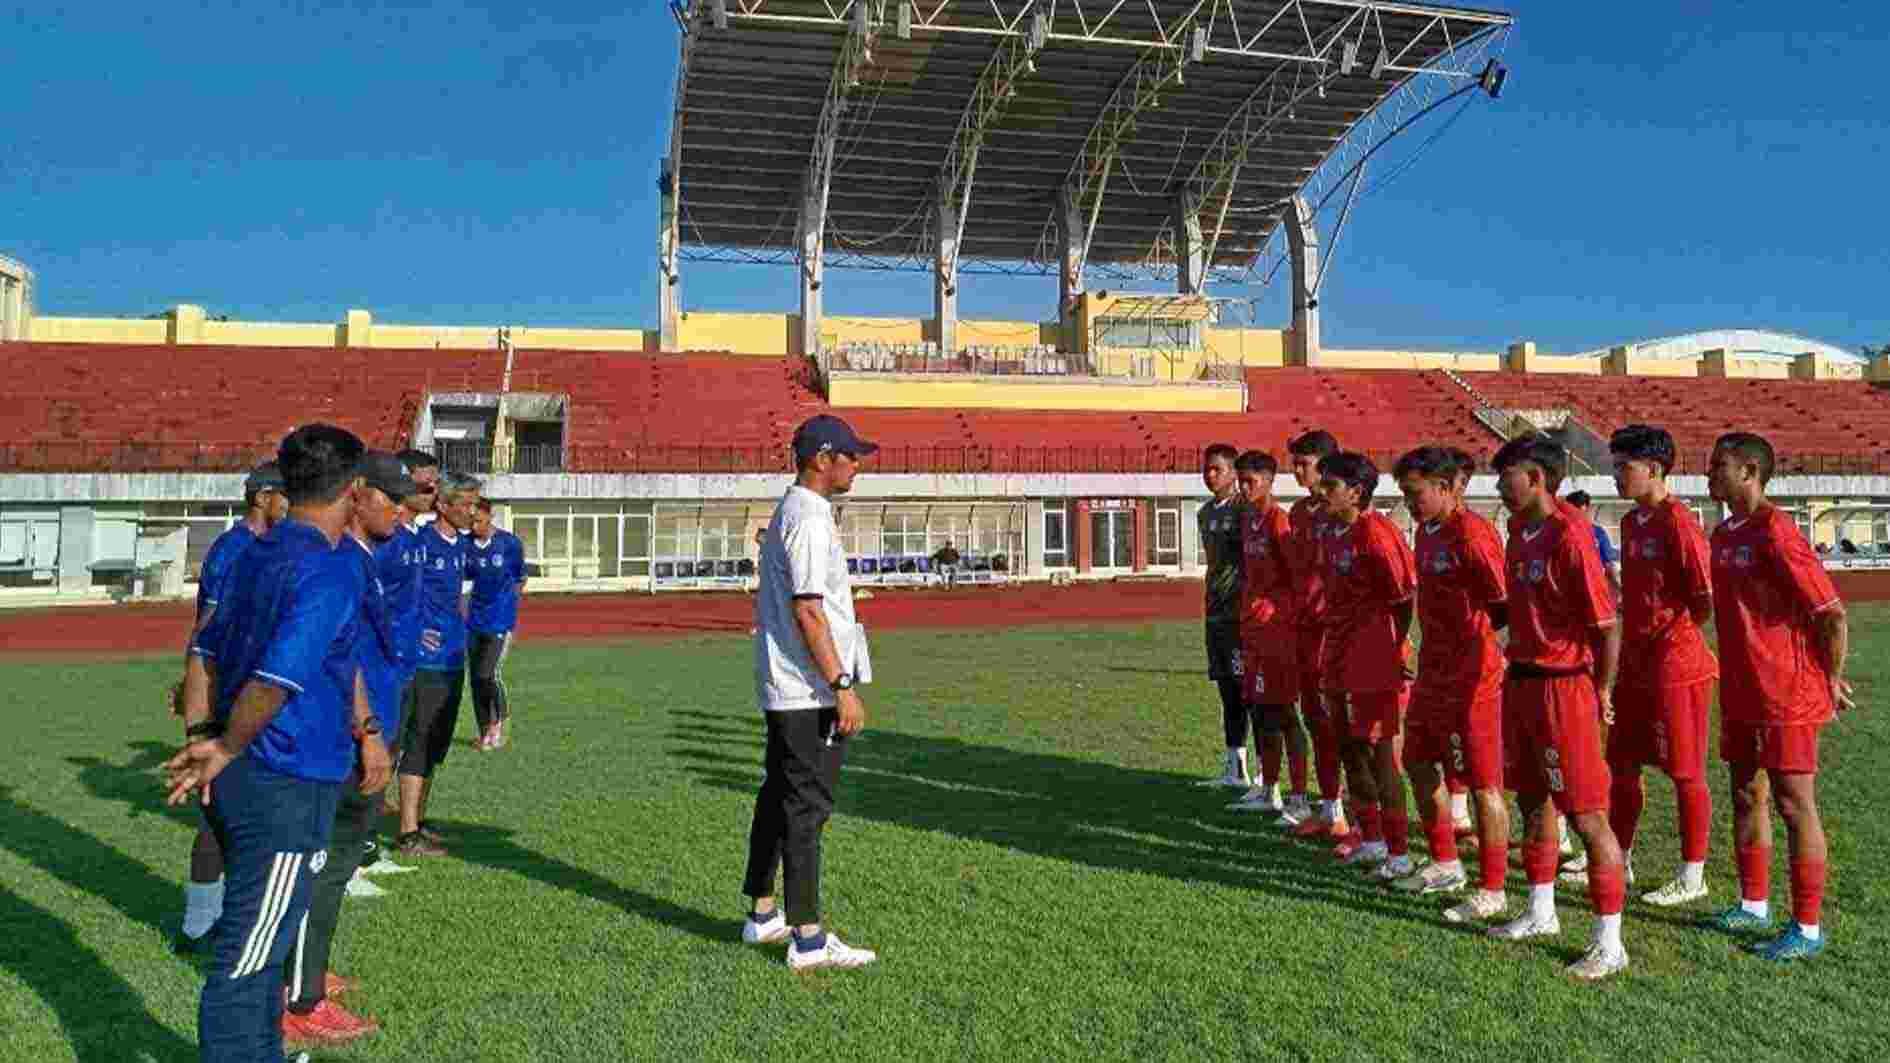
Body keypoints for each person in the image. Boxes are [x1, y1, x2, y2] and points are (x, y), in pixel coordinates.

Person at [167, 424, 392, 1062]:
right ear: (354, 491)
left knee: (265, 941)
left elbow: (202, 653)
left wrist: (204, 738)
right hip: (283, 785)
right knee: (251, 953)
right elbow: (276, 680)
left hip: (249, 781)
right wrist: (228, 745)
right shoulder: (325, 571)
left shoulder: (251, 553)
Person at [282, 452, 416, 1045]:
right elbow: (343, 660)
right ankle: (300, 1000)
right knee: (323, 867)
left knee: (335, 867)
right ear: (358, 497)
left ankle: (309, 972)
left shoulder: (361, 559)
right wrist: (367, 734)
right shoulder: (341, 564)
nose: (404, 512)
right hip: (347, 737)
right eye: (395, 499)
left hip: (367, 730)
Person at [1701, 432, 1851, 961]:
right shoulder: (1721, 535)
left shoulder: (1777, 529)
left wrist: (1829, 677)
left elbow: (1830, 612)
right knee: (1746, 795)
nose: (1708, 474)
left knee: (1794, 804)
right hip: (1742, 689)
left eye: (1719, 466)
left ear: (1749, 473)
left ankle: (1807, 928)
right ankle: (1753, 903)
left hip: (1786, 691)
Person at [1488, 435, 1631, 981]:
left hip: (1564, 686)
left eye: (1508, 478)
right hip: (1520, 681)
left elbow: (1606, 625)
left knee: (1588, 814)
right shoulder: (1516, 532)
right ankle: (1541, 911)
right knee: (1531, 800)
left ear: (1538, 479)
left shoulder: (1572, 535)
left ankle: (1609, 942)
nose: (1500, 487)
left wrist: (1604, 689)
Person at [742, 414, 879, 970]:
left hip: (791, 686)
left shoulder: (800, 512)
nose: (858, 464)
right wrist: (841, 685)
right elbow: (808, 608)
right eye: (850, 455)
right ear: (822, 459)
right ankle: (808, 938)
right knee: (807, 808)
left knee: (778, 797)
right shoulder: (807, 517)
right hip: (807, 690)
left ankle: (764, 914)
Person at [1598, 425, 1718, 908]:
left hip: (1677, 665)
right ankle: (1619, 857)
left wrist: (1674, 635)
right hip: (1635, 661)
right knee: (1622, 766)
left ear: (1654, 468)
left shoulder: (1679, 523)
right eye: (1614, 465)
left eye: (1623, 466)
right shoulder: (1631, 524)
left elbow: (1705, 597)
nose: (1615, 475)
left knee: (1685, 772)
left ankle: (1693, 875)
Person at [172, 461, 288, 956]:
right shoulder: (234, 550)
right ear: (262, 497)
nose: (292, 502)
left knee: (245, 814)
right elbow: (207, 634)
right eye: (286, 493)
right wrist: (194, 697)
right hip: (229, 698)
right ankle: (200, 921)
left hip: (251, 694)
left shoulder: (267, 549)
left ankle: (232, 917)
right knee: (216, 815)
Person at [1392, 447, 1512, 920]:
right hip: (1434, 673)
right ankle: (1445, 863)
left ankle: (1494, 888)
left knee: (1484, 785)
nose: (1410, 501)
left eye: (1416, 492)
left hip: (1473, 677)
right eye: (1404, 493)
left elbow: (1504, 606)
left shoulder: (1474, 535)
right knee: (1417, 760)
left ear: (1445, 488)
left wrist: (1499, 662)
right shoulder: (1426, 531)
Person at [1316, 451, 1418, 873]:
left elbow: (1403, 598)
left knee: (1379, 755)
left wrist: (1394, 650)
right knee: (1349, 750)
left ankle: (1399, 852)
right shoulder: (1332, 532)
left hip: (1372, 658)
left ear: (1356, 492)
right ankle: (1373, 840)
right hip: (1337, 655)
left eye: (1330, 485)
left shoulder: (1377, 534)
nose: (1322, 492)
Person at [392, 471, 478, 856]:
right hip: (426, 661)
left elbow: (460, 598)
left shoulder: (462, 545)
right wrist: (415, 631)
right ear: (443, 505)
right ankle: (406, 832)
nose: (473, 512)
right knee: (420, 740)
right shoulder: (420, 544)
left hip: (453, 657)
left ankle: (418, 822)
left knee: (436, 743)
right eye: (467, 504)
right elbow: (398, 594)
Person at [1226, 450, 1309, 817]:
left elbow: (1296, 579)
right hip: (1253, 629)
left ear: (1269, 481)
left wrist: (1283, 620)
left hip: (1277, 631)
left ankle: (1300, 795)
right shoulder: (1249, 521)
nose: (1244, 488)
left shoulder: (1279, 521)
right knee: (1261, 712)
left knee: (1284, 712)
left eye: (1251, 481)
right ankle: (1269, 788)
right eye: (1241, 481)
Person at [1283, 429, 1348, 837]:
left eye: (1302, 464)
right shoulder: (1299, 513)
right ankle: (1329, 808)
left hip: (1335, 632)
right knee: (1315, 720)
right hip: (1304, 629)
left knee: (1341, 725)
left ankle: (1356, 819)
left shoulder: (1344, 514)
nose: (1295, 471)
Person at [1196, 442, 1252, 788]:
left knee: (1249, 691)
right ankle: (1234, 766)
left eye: (1217, 469)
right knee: (1227, 691)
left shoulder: (1246, 510)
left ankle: (1262, 774)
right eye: (1207, 469)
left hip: (1241, 614)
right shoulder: (1205, 512)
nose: (1210, 475)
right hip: (1215, 611)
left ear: (1234, 473)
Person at [467, 498, 528, 751]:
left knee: (489, 674)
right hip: (473, 622)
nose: (473, 525)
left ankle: (500, 725)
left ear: (490, 517)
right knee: (475, 679)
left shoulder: (509, 544)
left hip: (499, 622)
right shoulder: (465, 545)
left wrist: (507, 606)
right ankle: (484, 732)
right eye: (470, 520)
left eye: (478, 520)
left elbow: (520, 579)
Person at [1567, 490, 1622, 602]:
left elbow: (1608, 565)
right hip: (1581, 591)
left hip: (1591, 591)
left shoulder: (1597, 533)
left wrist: (1617, 589)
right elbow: (1609, 566)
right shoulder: (1563, 533)